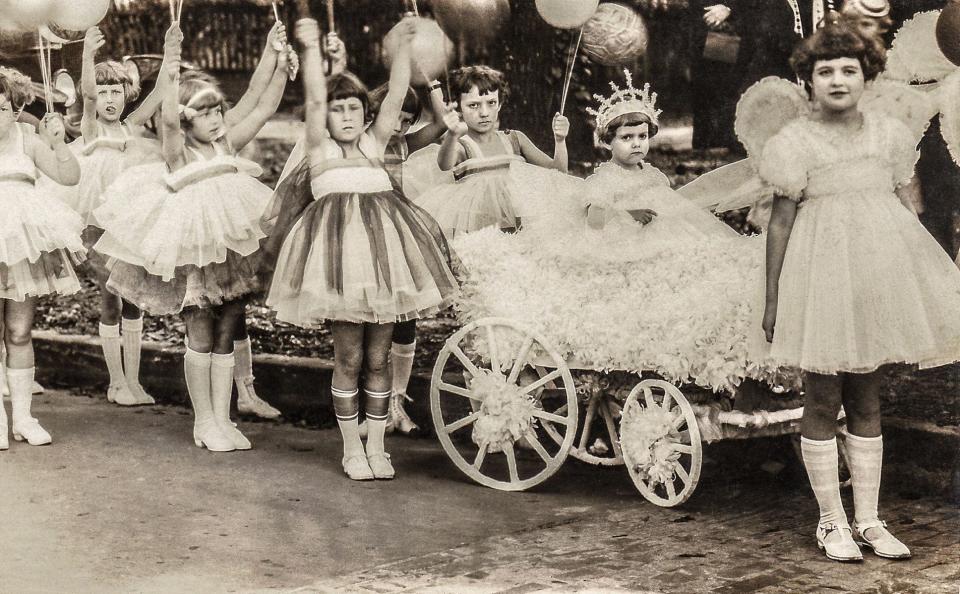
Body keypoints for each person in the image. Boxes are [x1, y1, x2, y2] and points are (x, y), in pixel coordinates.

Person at [759, 21, 960, 562]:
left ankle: (869, 518)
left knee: (868, 397)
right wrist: (774, 296)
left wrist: (914, 278)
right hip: (820, 276)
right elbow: (780, 224)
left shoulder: (888, 135)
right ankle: (831, 522)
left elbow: (905, 210)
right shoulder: (794, 144)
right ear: (808, 82)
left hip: (874, 275)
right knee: (823, 397)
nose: (838, 80)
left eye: (849, 69)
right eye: (825, 72)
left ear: (867, 76)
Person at [264, 17, 460, 481]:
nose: (347, 116)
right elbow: (314, 97)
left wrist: (405, 50)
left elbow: (394, 95)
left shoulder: (375, 143)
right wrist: (311, 50)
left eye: (354, 108)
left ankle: (377, 446)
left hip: (387, 261)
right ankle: (351, 447)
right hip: (341, 266)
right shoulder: (319, 151)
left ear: (365, 115)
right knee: (349, 358)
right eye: (339, 110)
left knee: (378, 359)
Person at [93, 21, 289, 452]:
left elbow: (262, 105)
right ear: (185, 119)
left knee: (229, 326)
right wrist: (172, 61)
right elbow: (166, 116)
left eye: (218, 111)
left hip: (231, 247)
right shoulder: (176, 150)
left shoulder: (227, 143)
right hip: (195, 246)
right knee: (200, 327)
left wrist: (276, 58)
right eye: (205, 113)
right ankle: (204, 421)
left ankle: (223, 417)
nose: (217, 120)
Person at [57, 25, 179, 407]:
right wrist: (88, 55)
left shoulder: (132, 125)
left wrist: (168, 49)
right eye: (105, 92)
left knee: (133, 297)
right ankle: (115, 381)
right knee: (110, 295)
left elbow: (160, 92)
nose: (109, 98)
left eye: (116, 92)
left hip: (128, 223)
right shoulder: (91, 128)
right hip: (97, 221)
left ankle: (134, 380)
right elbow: (89, 94)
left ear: (127, 95)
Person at [0, 67, 84, 449]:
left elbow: (69, 177)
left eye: (1, 107)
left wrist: (59, 141)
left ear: (15, 109)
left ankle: (23, 417)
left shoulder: (27, 140)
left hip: (22, 243)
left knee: (19, 331)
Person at [415, 65, 575, 238]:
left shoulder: (515, 139)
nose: (484, 113)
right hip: (481, 236)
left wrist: (560, 141)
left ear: (500, 104)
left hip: (519, 232)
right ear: (459, 108)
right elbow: (444, 164)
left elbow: (559, 171)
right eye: (473, 105)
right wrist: (452, 135)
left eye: (491, 103)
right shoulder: (462, 145)